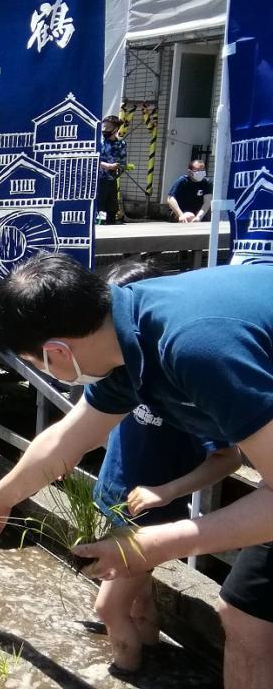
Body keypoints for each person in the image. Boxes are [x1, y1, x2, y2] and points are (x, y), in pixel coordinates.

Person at [0, 254, 273, 689]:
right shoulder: (124, 335)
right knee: (244, 615)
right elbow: (64, 441)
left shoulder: (193, 346)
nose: (42, 373)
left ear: (57, 351)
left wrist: (151, 543)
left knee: (246, 617)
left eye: (37, 365)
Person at [90, 259, 241, 674]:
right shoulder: (123, 373)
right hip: (117, 499)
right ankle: (149, 651)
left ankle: (123, 671)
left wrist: (168, 491)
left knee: (107, 607)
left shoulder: (181, 382)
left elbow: (228, 457)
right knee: (137, 597)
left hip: (153, 515)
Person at [98, 115, 127, 225]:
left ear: (116, 129)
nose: (105, 130)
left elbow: (123, 163)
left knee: (111, 208)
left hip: (111, 180)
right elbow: (93, 160)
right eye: (103, 127)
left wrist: (118, 168)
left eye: (108, 127)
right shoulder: (98, 142)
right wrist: (108, 166)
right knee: (97, 207)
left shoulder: (121, 144)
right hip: (97, 180)